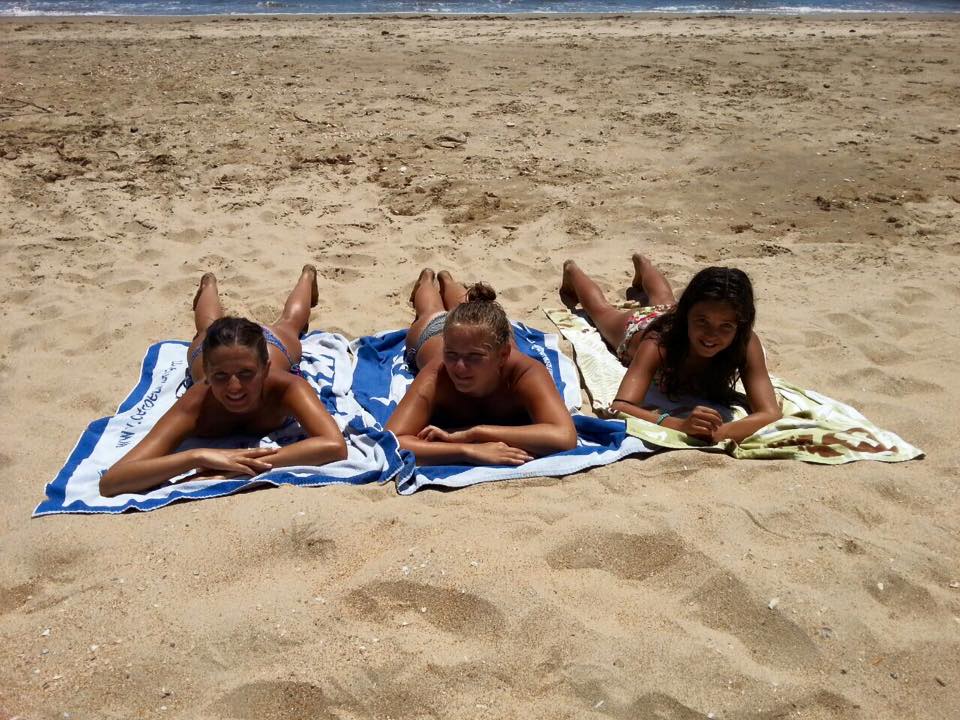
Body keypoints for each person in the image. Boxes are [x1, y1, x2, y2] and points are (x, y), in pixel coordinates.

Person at [100, 265, 347, 496]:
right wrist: (196, 457)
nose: (234, 387)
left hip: (273, 346)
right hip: (209, 351)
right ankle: (208, 284)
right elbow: (112, 481)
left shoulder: (286, 387)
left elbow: (334, 445)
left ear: (265, 370)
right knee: (206, 330)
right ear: (208, 374)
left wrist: (238, 465)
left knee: (290, 324)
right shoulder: (196, 403)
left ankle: (307, 275)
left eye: (246, 374)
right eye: (220, 376)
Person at [559, 253, 781, 443]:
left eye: (725, 326)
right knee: (601, 311)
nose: (711, 334)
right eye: (702, 321)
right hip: (640, 327)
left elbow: (770, 413)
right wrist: (679, 425)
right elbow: (621, 406)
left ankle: (643, 264)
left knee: (664, 299)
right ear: (686, 316)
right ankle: (572, 271)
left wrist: (721, 432)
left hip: (674, 316)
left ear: (740, 326)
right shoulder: (658, 343)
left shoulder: (745, 342)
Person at [386, 269, 577, 466]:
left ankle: (446, 279)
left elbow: (564, 437)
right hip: (435, 331)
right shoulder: (437, 374)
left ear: (503, 355)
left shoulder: (523, 372)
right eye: (451, 354)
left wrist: (476, 433)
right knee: (430, 310)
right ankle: (427, 279)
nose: (459, 367)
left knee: (474, 308)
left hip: (482, 331)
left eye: (474, 357)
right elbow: (392, 441)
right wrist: (467, 450)